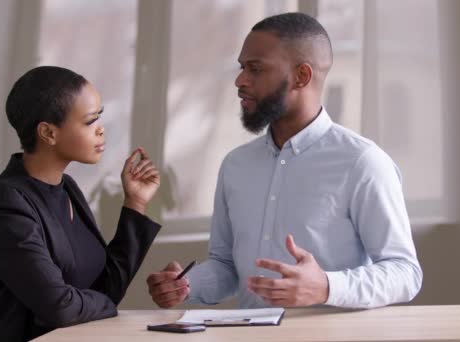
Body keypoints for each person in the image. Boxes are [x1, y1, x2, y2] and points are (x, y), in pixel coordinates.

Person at [146, 12, 422, 309]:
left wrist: (327, 287)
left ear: (301, 76)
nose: (240, 80)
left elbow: (404, 273)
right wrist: (188, 283)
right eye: (242, 68)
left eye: (255, 69)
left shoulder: (363, 163)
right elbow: (227, 267)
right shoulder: (235, 165)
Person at [0, 66, 162, 341]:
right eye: (90, 121)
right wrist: (104, 304)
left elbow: (106, 289)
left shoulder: (68, 189)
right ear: (48, 133)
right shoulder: (4, 201)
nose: (101, 129)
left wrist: (135, 202)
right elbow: (60, 308)